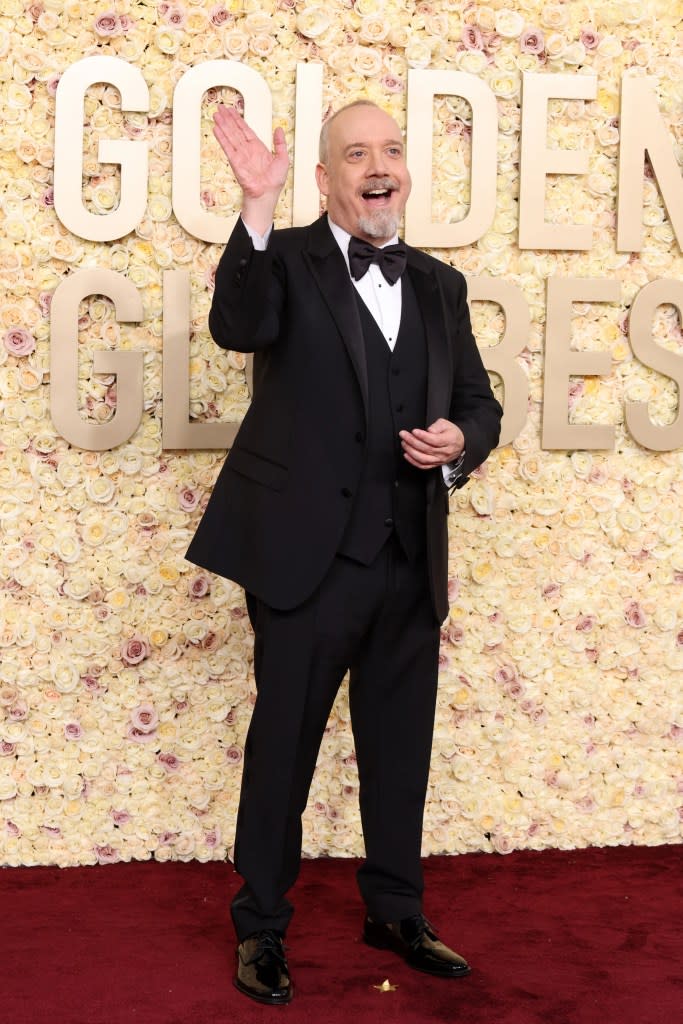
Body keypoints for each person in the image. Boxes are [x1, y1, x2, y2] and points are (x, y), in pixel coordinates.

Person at [186, 99, 503, 1006]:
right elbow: (236, 327)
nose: (378, 165)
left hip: (410, 556)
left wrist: (459, 441)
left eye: (391, 150)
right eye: (355, 153)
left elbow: (479, 404)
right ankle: (260, 928)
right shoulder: (282, 258)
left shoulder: (440, 285)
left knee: (400, 745)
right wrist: (254, 205)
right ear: (324, 179)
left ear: (405, 171)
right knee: (282, 744)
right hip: (305, 558)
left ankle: (395, 911)